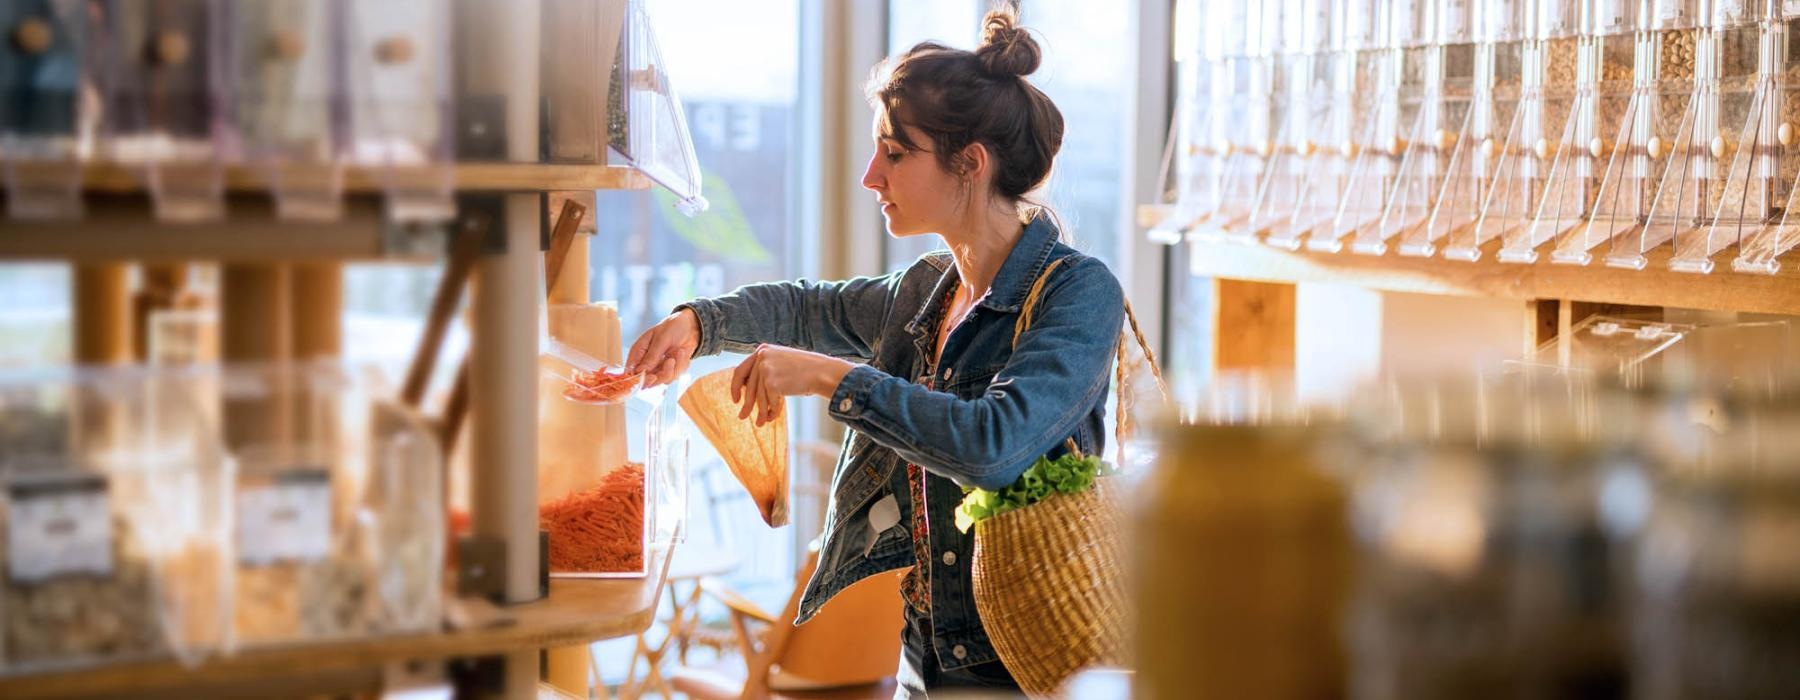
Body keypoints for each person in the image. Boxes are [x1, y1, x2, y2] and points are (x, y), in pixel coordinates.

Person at [626, 9, 1124, 698]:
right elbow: (808, 306)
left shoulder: (1079, 293)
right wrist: (698, 324)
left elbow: (995, 445)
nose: (870, 176)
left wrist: (834, 380)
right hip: (924, 655)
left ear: (971, 164)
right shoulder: (925, 291)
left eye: (894, 153)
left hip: (1029, 669)